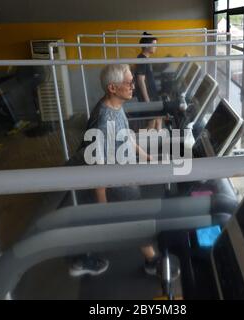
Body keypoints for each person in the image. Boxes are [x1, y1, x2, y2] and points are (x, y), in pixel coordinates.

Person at [69, 64, 167, 277]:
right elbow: (99, 168)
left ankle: (83, 257)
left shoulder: (116, 106)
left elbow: (128, 137)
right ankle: (152, 260)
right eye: (129, 82)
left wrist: (148, 158)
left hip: (121, 174)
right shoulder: (104, 121)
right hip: (113, 180)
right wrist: (102, 203)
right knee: (131, 219)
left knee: (121, 219)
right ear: (112, 88)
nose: (133, 86)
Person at [134, 32, 163, 131]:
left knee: (158, 119)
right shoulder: (141, 59)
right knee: (151, 124)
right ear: (146, 46)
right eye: (154, 45)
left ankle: (159, 141)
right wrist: (147, 101)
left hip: (152, 95)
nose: (155, 47)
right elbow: (140, 80)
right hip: (148, 97)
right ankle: (135, 140)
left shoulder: (145, 58)